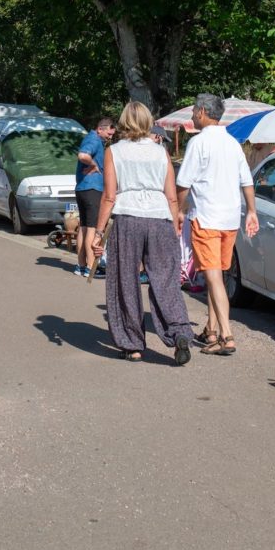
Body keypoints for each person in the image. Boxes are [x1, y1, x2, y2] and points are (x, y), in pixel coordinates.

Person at [91, 102, 192, 365]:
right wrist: (174, 227)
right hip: (159, 218)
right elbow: (172, 196)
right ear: (148, 122)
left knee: (125, 280)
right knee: (165, 280)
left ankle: (132, 343)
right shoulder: (161, 152)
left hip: (128, 218)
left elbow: (110, 196)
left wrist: (98, 232)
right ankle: (179, 332)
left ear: (124, 122)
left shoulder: (114, 151)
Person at [175, 93, 259, 356]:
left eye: (192, 113)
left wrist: (178, 211)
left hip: (207, 217)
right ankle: (210, 329)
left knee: (212, 275)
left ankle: (226, 335)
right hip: (230, 218)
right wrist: (252, 212)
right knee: (218, 277)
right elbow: (247, 181)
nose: (191, 117)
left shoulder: (198, 143)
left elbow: (182, 183)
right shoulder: (233, 143)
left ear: (201, 112)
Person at [74, 117, 115, 276]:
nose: (109, 138)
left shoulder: (89, 138)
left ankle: (81, 265)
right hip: (92, 189)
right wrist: (94, 165)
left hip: (82, 188)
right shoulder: (95, 140)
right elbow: (83, 155)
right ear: (100, 129)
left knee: (83, 228)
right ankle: (91, 267)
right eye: (109, 134)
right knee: (92, 228)